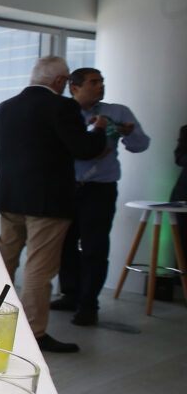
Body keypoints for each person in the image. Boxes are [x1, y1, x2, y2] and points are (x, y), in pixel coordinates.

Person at [0, 56, 108, 353]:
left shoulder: (4, 108)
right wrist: (100, 130)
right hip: (48, 201)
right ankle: (33, 333)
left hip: (10, 196)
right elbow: (84, 148)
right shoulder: (63, 107)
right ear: (60, 82)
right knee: (39, 268)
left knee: (5, 258)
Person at [53, 68, 149, 326]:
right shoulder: (63, 112)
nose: (100, 87)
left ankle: (88, 304)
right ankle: (70, 294)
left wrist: (129, 134)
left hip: (100, 188)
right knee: (65, 243)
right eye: (93, 83)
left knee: (95, 246)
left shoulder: (117, 112)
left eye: (102, 82)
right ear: (74, 87)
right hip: (67, 187)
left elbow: (141, 145)